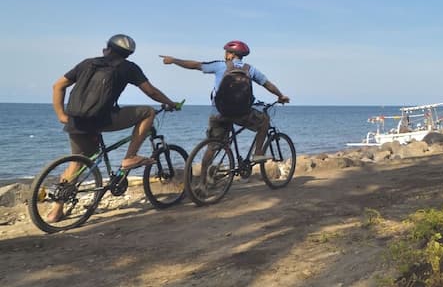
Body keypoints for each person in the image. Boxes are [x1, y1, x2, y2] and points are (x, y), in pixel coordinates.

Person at [49, 34, 181, 222]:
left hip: (76, 120)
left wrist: (61, 115)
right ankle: (130, 157)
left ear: (107, 49)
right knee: (148, 112)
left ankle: (55, 211)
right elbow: (151, 92)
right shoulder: (129, 68)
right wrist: (171, 103)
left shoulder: (87, 63)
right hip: (102, 120)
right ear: (128, 54)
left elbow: (58, 86)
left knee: (76, 163)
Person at [160, 40, 289, 161]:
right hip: (241, 113)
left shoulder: (219, 65)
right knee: (264, 121)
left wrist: (174, 60)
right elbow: (267, 84)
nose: (225, 54)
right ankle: (258, 153)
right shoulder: (250, 69)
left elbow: (195, 65)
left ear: (231, 54)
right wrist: (280, 96)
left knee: (212, 146)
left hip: (219, 112)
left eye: (226, 52)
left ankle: (203, 176)